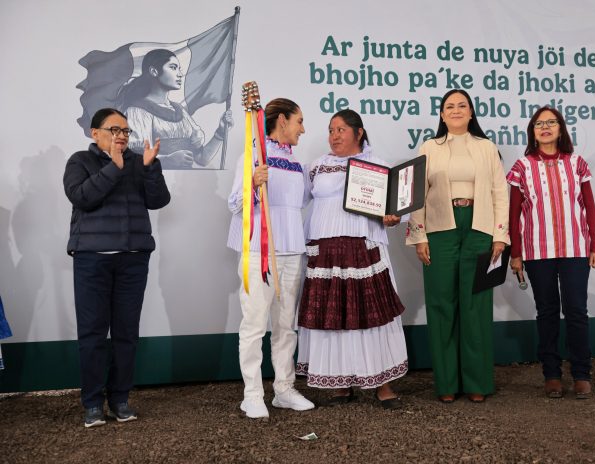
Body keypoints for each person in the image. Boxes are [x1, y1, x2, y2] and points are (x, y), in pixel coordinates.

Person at [63, 108, 170, 427]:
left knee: (126, 333)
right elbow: (82, 197)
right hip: (91, 258)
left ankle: (120, 398)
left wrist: (150, 168)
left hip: (133, 258)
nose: (121, 136)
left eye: (125, 131)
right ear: (95, 133)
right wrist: (113, 167)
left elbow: (158, 200)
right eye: (114, 130)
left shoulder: (139, 162)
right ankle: (93, 403)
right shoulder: (80, 161)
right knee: (93, 333)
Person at [296, 109, 407, 409]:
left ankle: (383, 385)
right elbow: (296, 199)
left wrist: (394, 216)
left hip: (363, 246)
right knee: (333, 315)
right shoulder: (316, 167)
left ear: (359, 133)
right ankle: (340, 382)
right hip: (325, 248)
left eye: (341, 129)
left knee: (372, 314)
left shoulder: (378, 165)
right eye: (331, 130)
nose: (334, 136)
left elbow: (399, 207)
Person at [406, 89, 509, 403]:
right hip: (440, 230)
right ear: (441, 114)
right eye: (449, 106)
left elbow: (499, 191)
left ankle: (477, 382)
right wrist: (419, 236)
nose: (456, 110)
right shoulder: (429, 147)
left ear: (471, 112)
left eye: (462, 105)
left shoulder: (486, 147)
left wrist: (500, 236)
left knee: (476, 305)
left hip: (479, 228)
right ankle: (447, 384)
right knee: (442, 305)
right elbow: (416, 193)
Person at [227, 98, 314, 419]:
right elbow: (234, 204)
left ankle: (284, 389)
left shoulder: (297, 163)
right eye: (299, 121)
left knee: (285, 325)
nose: (303, 129)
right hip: (258, 251)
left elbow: (304, 200)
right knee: (253, 324)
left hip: (292, 250)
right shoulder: (252, 157)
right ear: (282, 121)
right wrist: (253, 183)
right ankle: (252, 395)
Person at [506, 106, 595, 399]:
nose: (545, 127)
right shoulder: (522, 167)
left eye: (551, 122)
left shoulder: (576, 163)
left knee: (576, 310)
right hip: (537, 250)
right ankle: (552, 375)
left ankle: (582, 374)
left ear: (560, 129)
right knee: (546, 312)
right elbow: (513, 214)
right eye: (539, 124)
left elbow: (589, 207)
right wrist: (515, 253)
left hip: (575, 248)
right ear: (532, 132)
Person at [119, 49, 233, 169]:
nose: (179, 74)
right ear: (154, 71)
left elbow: (202, 159)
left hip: (184, 180)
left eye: (179, 69)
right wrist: (166, 160)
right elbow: (133, 159)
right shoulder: (137, 111)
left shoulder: (180, 111)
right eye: (173, 68)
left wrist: (221, 132)